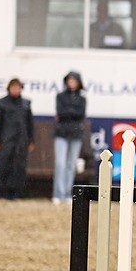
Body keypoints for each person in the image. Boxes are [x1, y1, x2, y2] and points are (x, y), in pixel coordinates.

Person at [0, 78, 34, 199]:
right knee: (1, 167)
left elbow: (30, 124)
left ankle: (13, 194)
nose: (15, 90)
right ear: (9, 88)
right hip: (5, 141)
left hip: (21, 142)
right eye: (13, 87)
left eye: (18, 87)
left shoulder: (26, 104)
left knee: (18, 168)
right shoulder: (1, 104)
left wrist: (31, 140)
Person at [52, 71, 86, 204]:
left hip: (76, 133)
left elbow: (80, 114)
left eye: (74, 80)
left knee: (71, 164)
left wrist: (68, 112)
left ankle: (67, 193)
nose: (71, 83)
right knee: (60, 163)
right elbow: (60, 112)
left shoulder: (82, 99)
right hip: (61, 133)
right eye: (69, 80)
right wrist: (72, 112)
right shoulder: (60, 96)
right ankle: (58, 193)